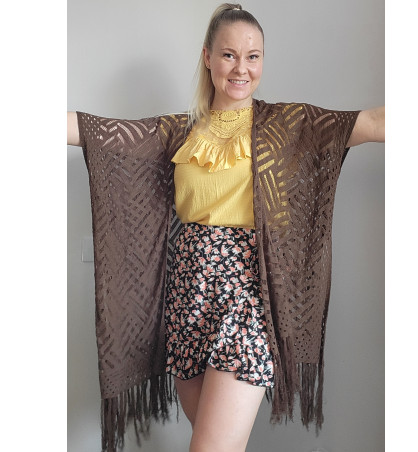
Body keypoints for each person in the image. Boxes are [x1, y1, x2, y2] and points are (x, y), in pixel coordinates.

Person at [67, 3, 384, 452]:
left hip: (247, 296)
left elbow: (371, 123)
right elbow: (97, 133)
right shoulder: (178, 132)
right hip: (187, 295)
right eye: (229, 55)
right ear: (208, 57)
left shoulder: (287, 125)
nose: (241, 68)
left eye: (253, 56)